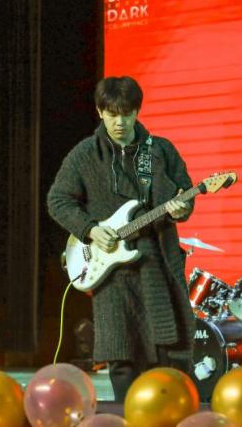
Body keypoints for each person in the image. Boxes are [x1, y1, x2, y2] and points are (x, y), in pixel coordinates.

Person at [47, 76, 195, 402]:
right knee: (121, 354)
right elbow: (58, 200)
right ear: (100, 112)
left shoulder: (161, 151)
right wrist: (90, 229)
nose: (120, 122)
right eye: (112, 114)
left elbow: (184, 194)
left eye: (126, 114)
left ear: (137, 111)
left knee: (169, 350)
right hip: (112, 271)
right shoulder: (85, 155)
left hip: (157, 263)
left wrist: (181, 208)